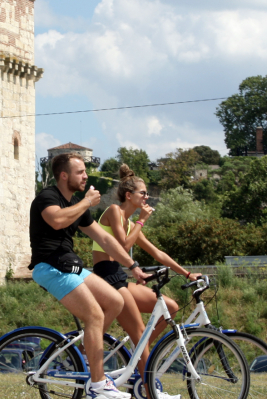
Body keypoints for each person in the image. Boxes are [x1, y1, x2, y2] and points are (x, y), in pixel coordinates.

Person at [30, 153, 148, 399]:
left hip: (69, 267)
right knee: (94, 315)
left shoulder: (76, 204)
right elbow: (57, 221)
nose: (86, 176)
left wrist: (133, 265)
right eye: (80, 172)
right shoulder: (48, 197)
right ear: (64, 176)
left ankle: (86, 348)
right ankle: (98, 384)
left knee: (116, 301)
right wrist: (86, 202)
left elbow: (105, 239)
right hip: (49, 267)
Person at [92, 164, 200, 397]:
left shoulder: (131, 224)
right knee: (140, 333)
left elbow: (158, 253)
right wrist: (141, 221)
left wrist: (188, 274)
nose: (147, 197)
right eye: (143, 193)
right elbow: (122, 246)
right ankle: (150, 391)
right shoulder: (113, 211)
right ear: (129, 195)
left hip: (118, 276)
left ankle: (140, 349)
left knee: (170, 307)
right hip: (105, 276)